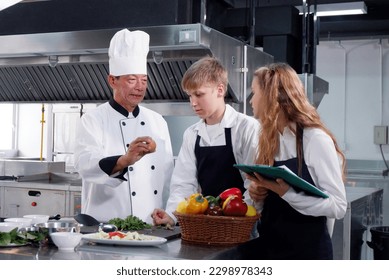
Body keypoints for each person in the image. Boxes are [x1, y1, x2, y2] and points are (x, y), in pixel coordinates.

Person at [242, 62, 347, 260]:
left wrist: (288, 193)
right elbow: (261, 207)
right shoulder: (267, 139)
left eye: (254, 93)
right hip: (271, 250)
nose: (251, 100)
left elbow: (338, 206)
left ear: (272, 96)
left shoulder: (314, 139)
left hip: (308, 255)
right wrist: (257, 195)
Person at [74, 29, 174, 224]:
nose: (140, 87)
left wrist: (170, 213)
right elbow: (84, 164)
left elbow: (169, 175)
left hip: (150, 225)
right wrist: (124, 160)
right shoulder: (93, 119)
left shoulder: (157, 121)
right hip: (106, 225)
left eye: (143, 80)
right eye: (131, 79)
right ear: (112, 80)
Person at [152, 56, 259, 226]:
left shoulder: (246, 128)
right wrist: (173, 216)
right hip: (206, 222)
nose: (193, 103)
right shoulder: (192, 134)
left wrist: (238, 219)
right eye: (190, 96)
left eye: (199, 94)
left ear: (220, 90)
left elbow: (254, 185)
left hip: (241, 224)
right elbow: (183, 183)